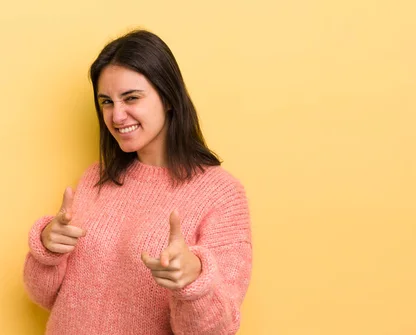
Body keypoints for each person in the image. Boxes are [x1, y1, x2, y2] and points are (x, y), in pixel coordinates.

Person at [23, 29, 252, 334]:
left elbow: (214, 330)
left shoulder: (221, 195)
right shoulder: (97, 178)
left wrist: (194, 278)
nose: (117, 116)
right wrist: (48, 249)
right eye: (106, 102)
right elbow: (45, 297)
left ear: (168, 98)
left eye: (131, 98)